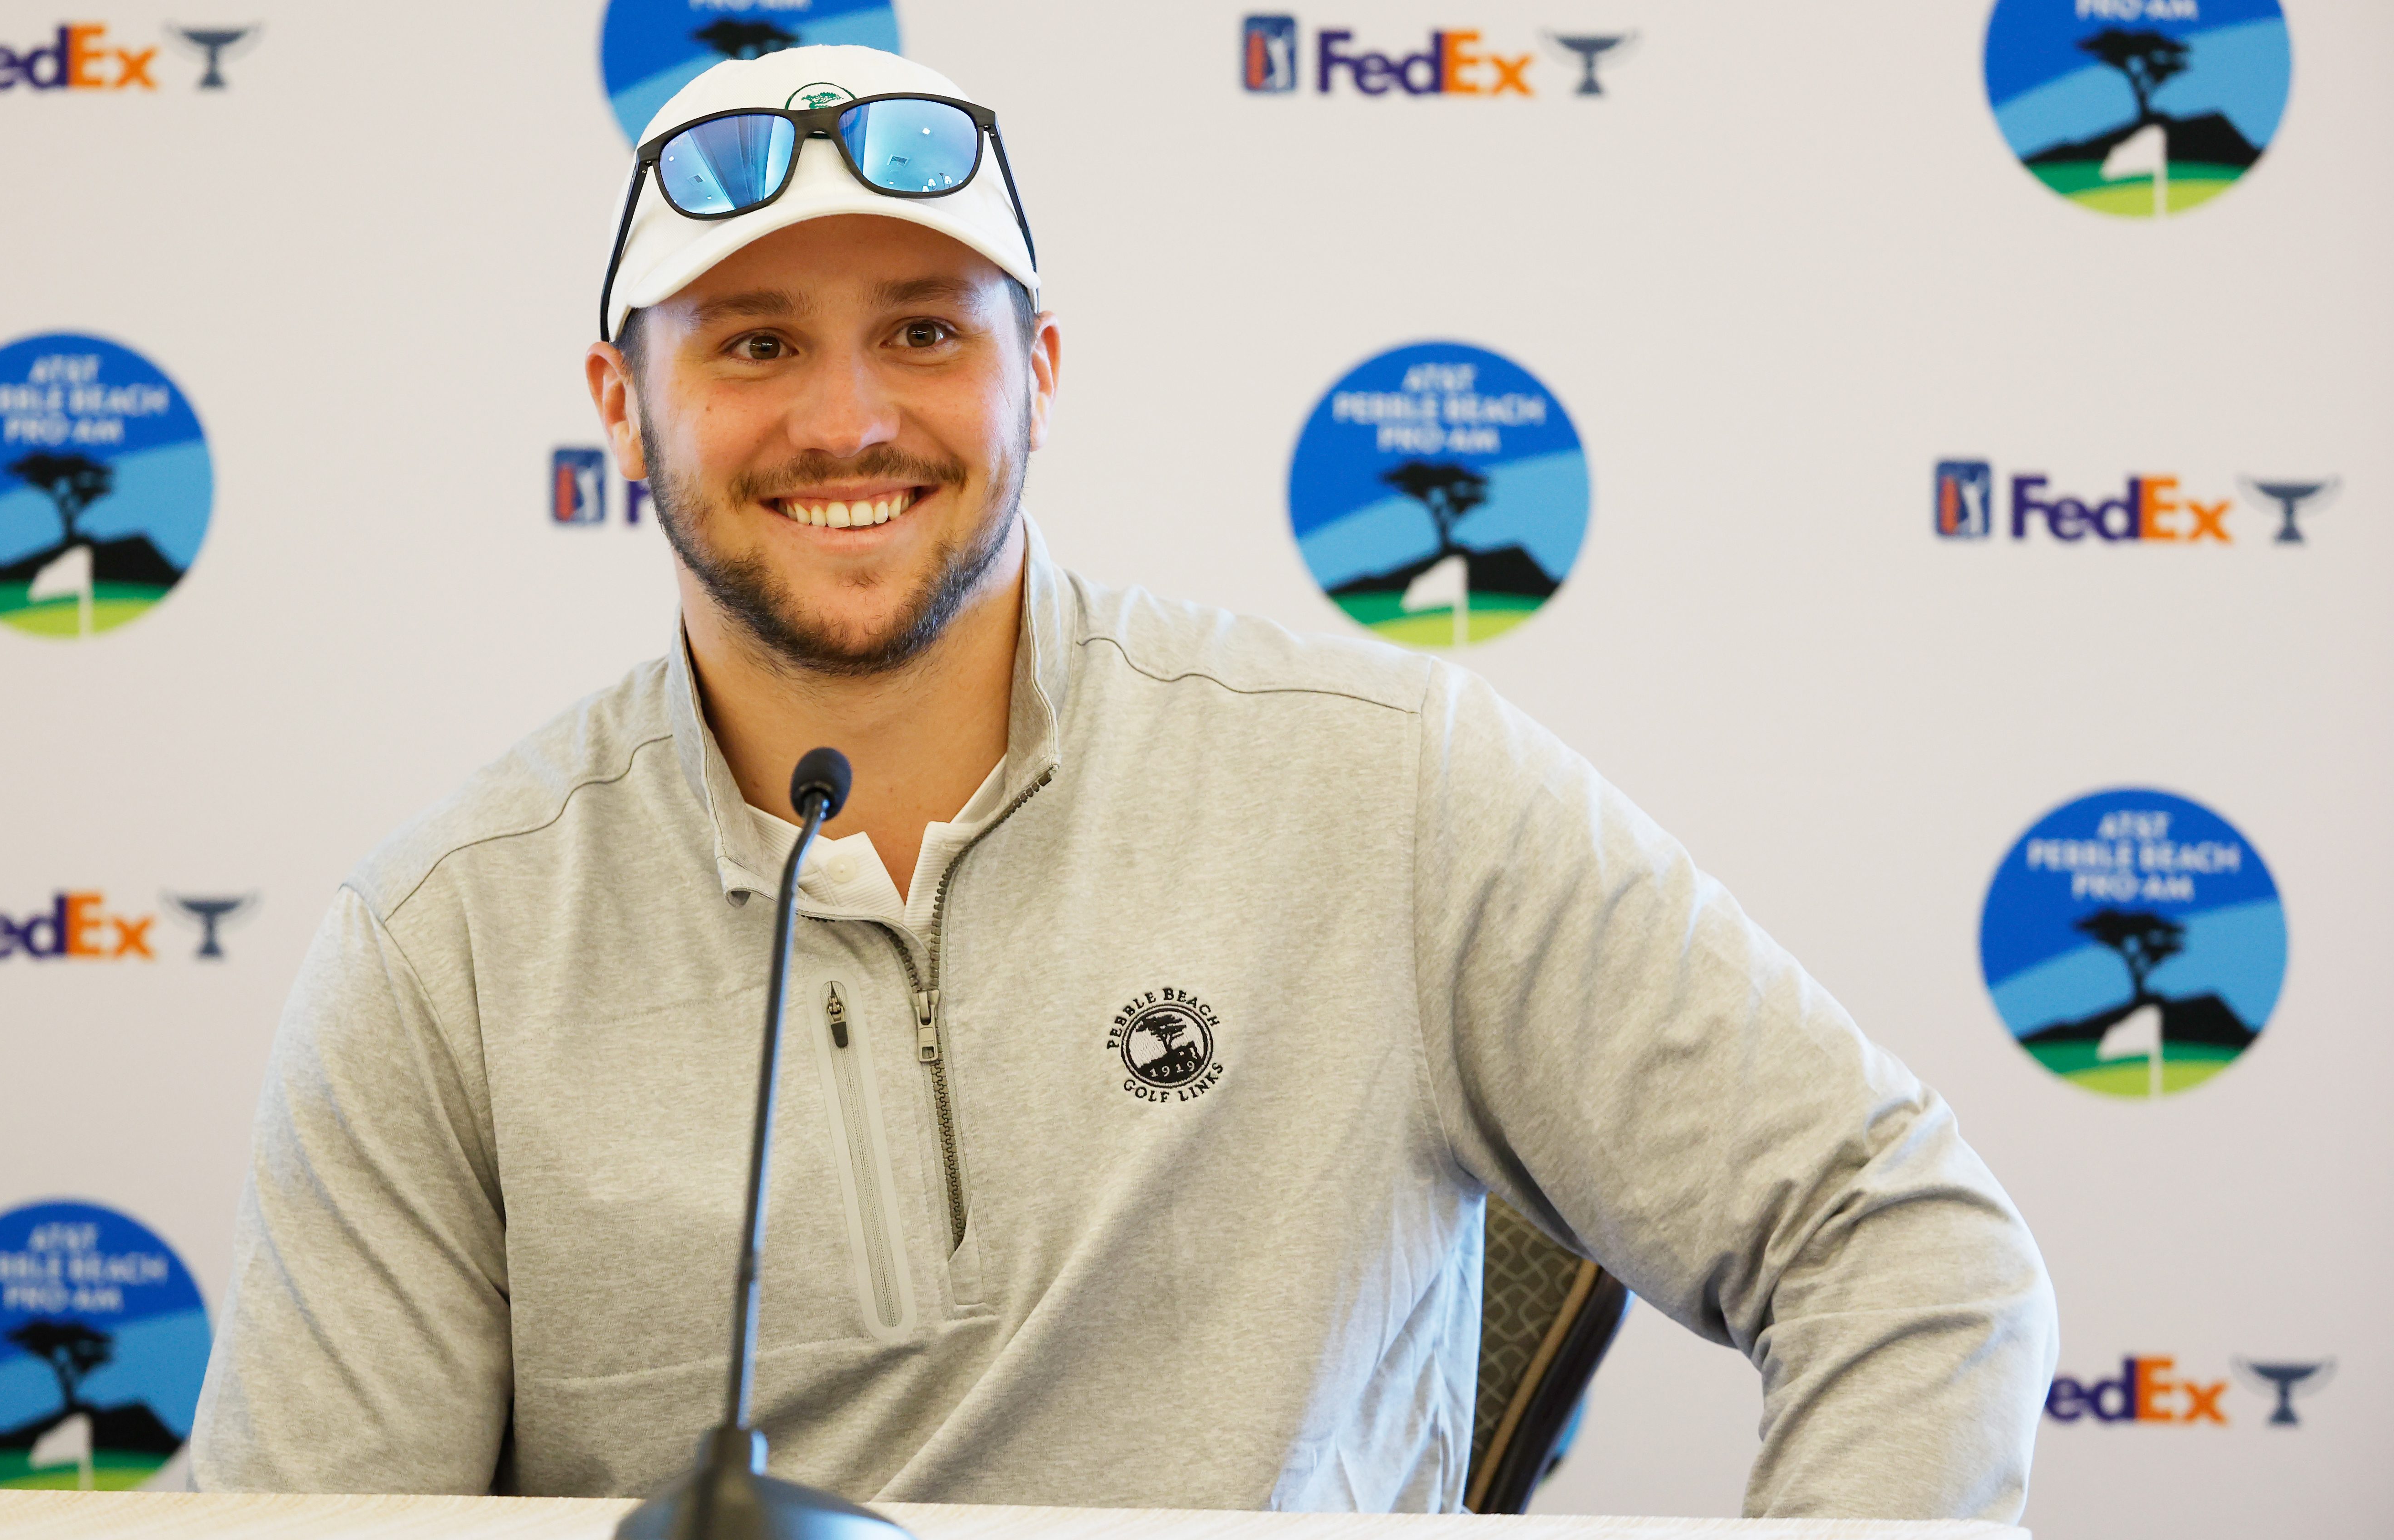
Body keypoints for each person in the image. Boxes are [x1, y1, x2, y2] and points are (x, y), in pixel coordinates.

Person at [190, 45, 2055, 1519]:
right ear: (621, 407)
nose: (849, 419)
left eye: (926, 329)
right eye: (756, 345)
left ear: (1043, 374)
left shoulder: (1384, 788)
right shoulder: (442, 949)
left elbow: (1899, 1234)